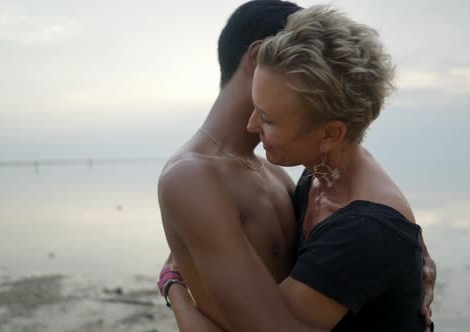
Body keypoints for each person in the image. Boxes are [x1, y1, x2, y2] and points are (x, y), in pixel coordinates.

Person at [157, 2, 436, 331]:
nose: (251, 125)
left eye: (267, 118)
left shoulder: (293, 180)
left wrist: (172, 283)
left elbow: (372, 234)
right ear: (260, 53)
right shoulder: (303, 179)